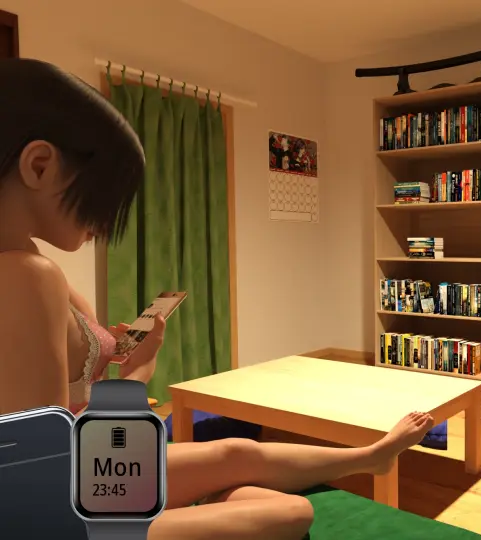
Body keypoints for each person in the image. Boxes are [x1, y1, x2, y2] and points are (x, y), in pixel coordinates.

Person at [0, 58, 434, 539]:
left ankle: (371, 456)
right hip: (68, 509)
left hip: (91, 467)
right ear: (39, 165)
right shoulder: (27, 276)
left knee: (236, 453)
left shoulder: (35, 264)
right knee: (289, 514)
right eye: (103, 197)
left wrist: (125, 360)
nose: (105, 222)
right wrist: (139, 374)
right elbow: (40, 483)